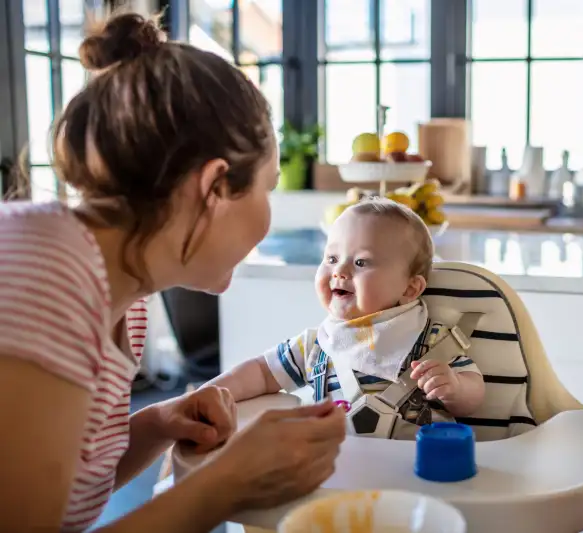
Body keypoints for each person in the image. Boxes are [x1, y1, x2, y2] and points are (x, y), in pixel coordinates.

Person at [0, 11, 345, 533]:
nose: (268, 210)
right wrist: (232, 482)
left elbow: (60, 483)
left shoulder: (123, 292)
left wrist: (160, 422)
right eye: (267, 188)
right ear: (215, 186)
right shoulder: (45, 270)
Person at [206, 199, 486, 438]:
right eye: (331, 258)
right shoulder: (317, 345)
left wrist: (456, 387)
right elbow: (261, 373)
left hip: (415, 468)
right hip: (338, 466)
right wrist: (208, 395)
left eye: (361, 262)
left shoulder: (429, 339)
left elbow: (474, 396)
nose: (339, 270)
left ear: (410, 288)